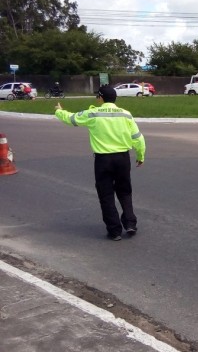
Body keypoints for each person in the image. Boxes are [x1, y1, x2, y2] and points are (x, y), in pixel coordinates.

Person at [54, 85, 146, 241]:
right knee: (125, 191)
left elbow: (71, 119)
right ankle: (130, 224)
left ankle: (115, 231)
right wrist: (140, 154)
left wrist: (58, 110)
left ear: (100, 98)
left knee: (106, 194)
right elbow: (137, 137)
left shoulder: (93, 113)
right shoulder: (126, 114)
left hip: (103, 160)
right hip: (123, 158)